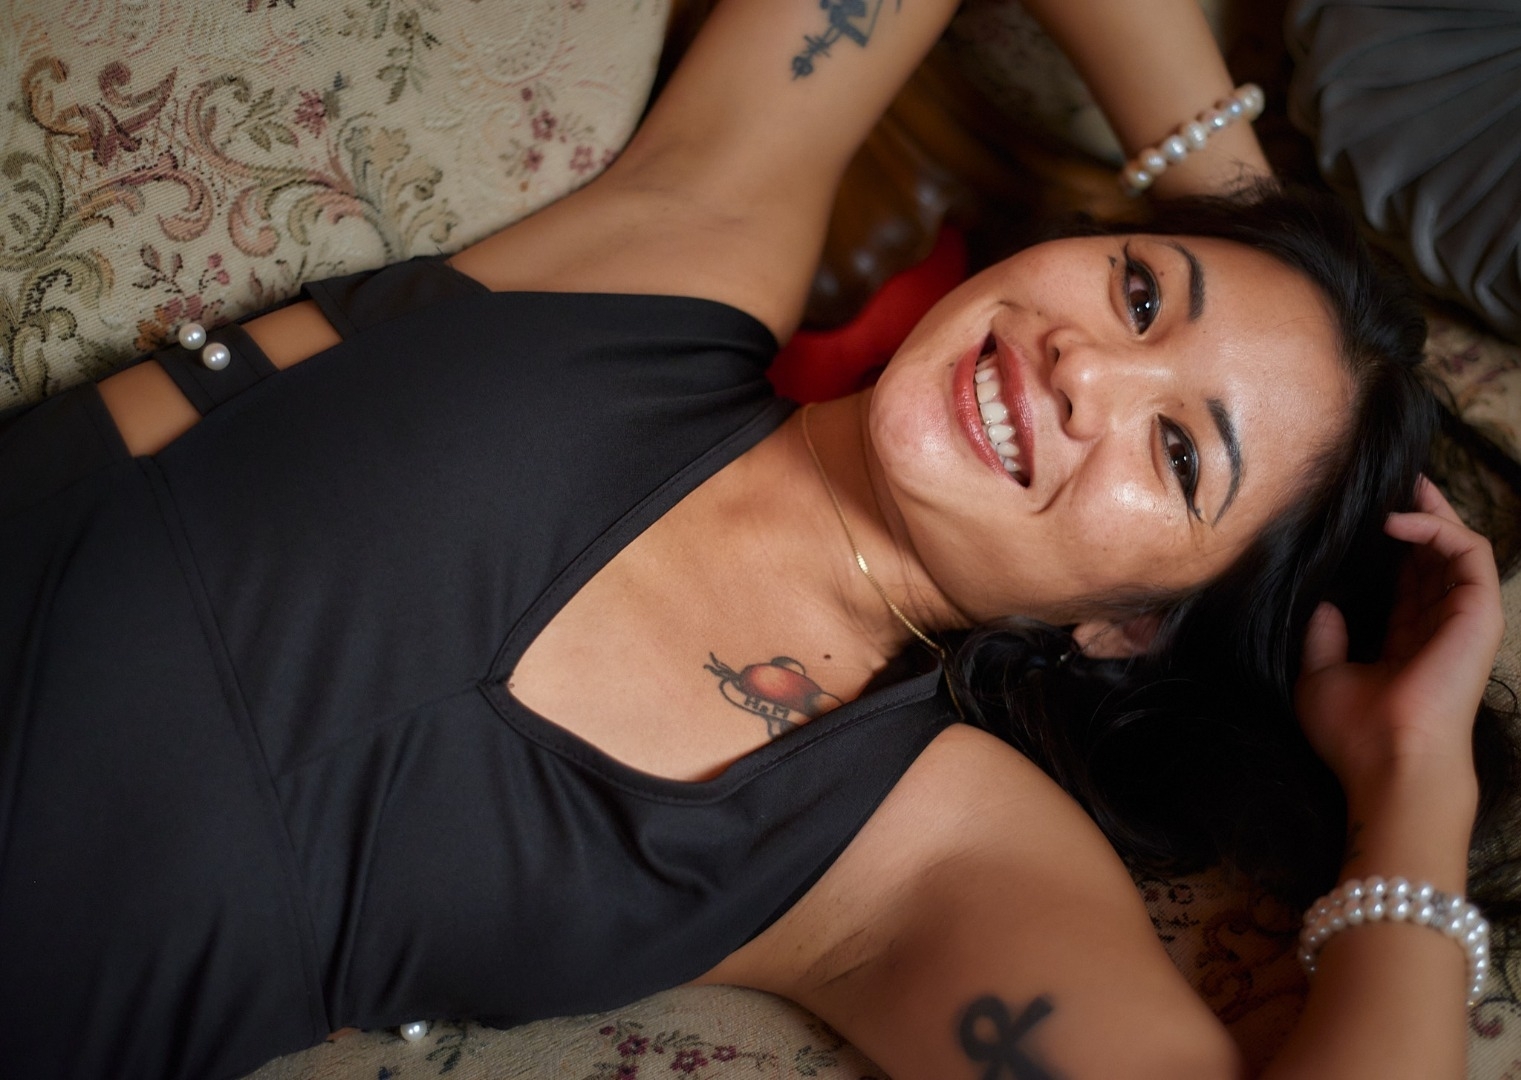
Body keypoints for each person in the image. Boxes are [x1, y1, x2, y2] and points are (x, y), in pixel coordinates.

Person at [0, 1, 1512, 1078]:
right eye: (1135, 293)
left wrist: (1413, 786)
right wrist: (1236, 199)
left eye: (1180, 453)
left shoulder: (916, 847)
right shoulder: (681, 250)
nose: (1085, 371)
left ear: (1130, 623)